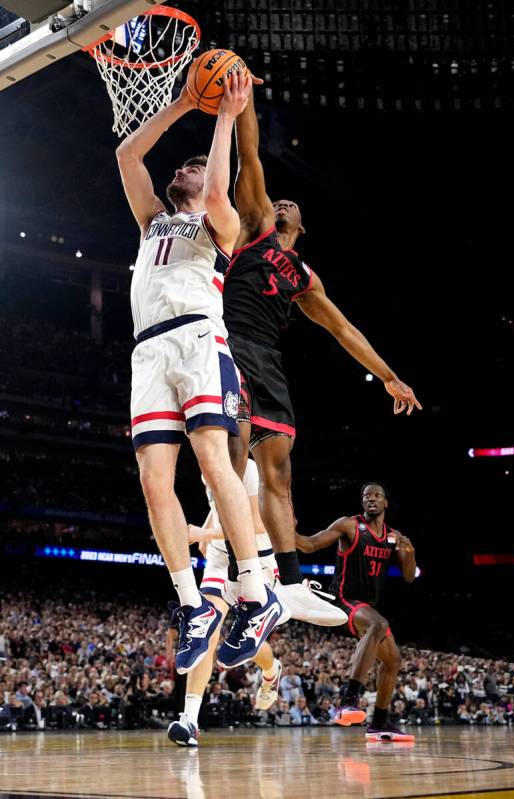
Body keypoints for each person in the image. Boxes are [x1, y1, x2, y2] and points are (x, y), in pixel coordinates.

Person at [223, 84, 422, 627]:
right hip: (228, 343)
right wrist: (241, 105)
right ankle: (238, 573)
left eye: (293, 204)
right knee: (235, 454)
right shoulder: (257, 225)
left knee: (279, 476)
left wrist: (389, 378)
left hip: (268, 359)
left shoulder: (305, 277)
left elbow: (345, 329)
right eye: (279, 199)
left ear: (303, 227)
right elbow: (250, 155)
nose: (283, 201)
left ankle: (286, 587)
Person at [116, 69, 283, 675]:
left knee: (215, 466)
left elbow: (218, 192)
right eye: (184, 168)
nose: (180, 171)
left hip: (197, 340)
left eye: (188, 167)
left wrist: (223, 117)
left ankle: (255, 593)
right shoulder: (152, 221)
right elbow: (127, 152)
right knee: (154, 483)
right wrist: (183, 101)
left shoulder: (221, 225)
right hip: (149, 352)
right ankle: (193, 605)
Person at [167, 458, 285, 746]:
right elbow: (217, 503)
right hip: (220, 559)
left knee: (245, 642)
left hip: (255, 556)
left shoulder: (250, 468)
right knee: (206, 629)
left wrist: (205, 534)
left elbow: (256, 524)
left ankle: (271, 671)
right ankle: (190, 720)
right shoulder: (208, 458)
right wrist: (207, 528)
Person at [295, 482, 416, 742]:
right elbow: (308, 545)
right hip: (342, 599)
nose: (371, 499)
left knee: (393, 661)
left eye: (377, 495)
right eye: (366, 496)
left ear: (386, 503)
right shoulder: (349, 525)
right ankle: (347, 701)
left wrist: (409, 553)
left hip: (366, 607)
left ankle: (380, 722)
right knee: (378, 624)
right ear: (363, 502)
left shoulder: (393, 536)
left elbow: (408, 577)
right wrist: (285, 528)